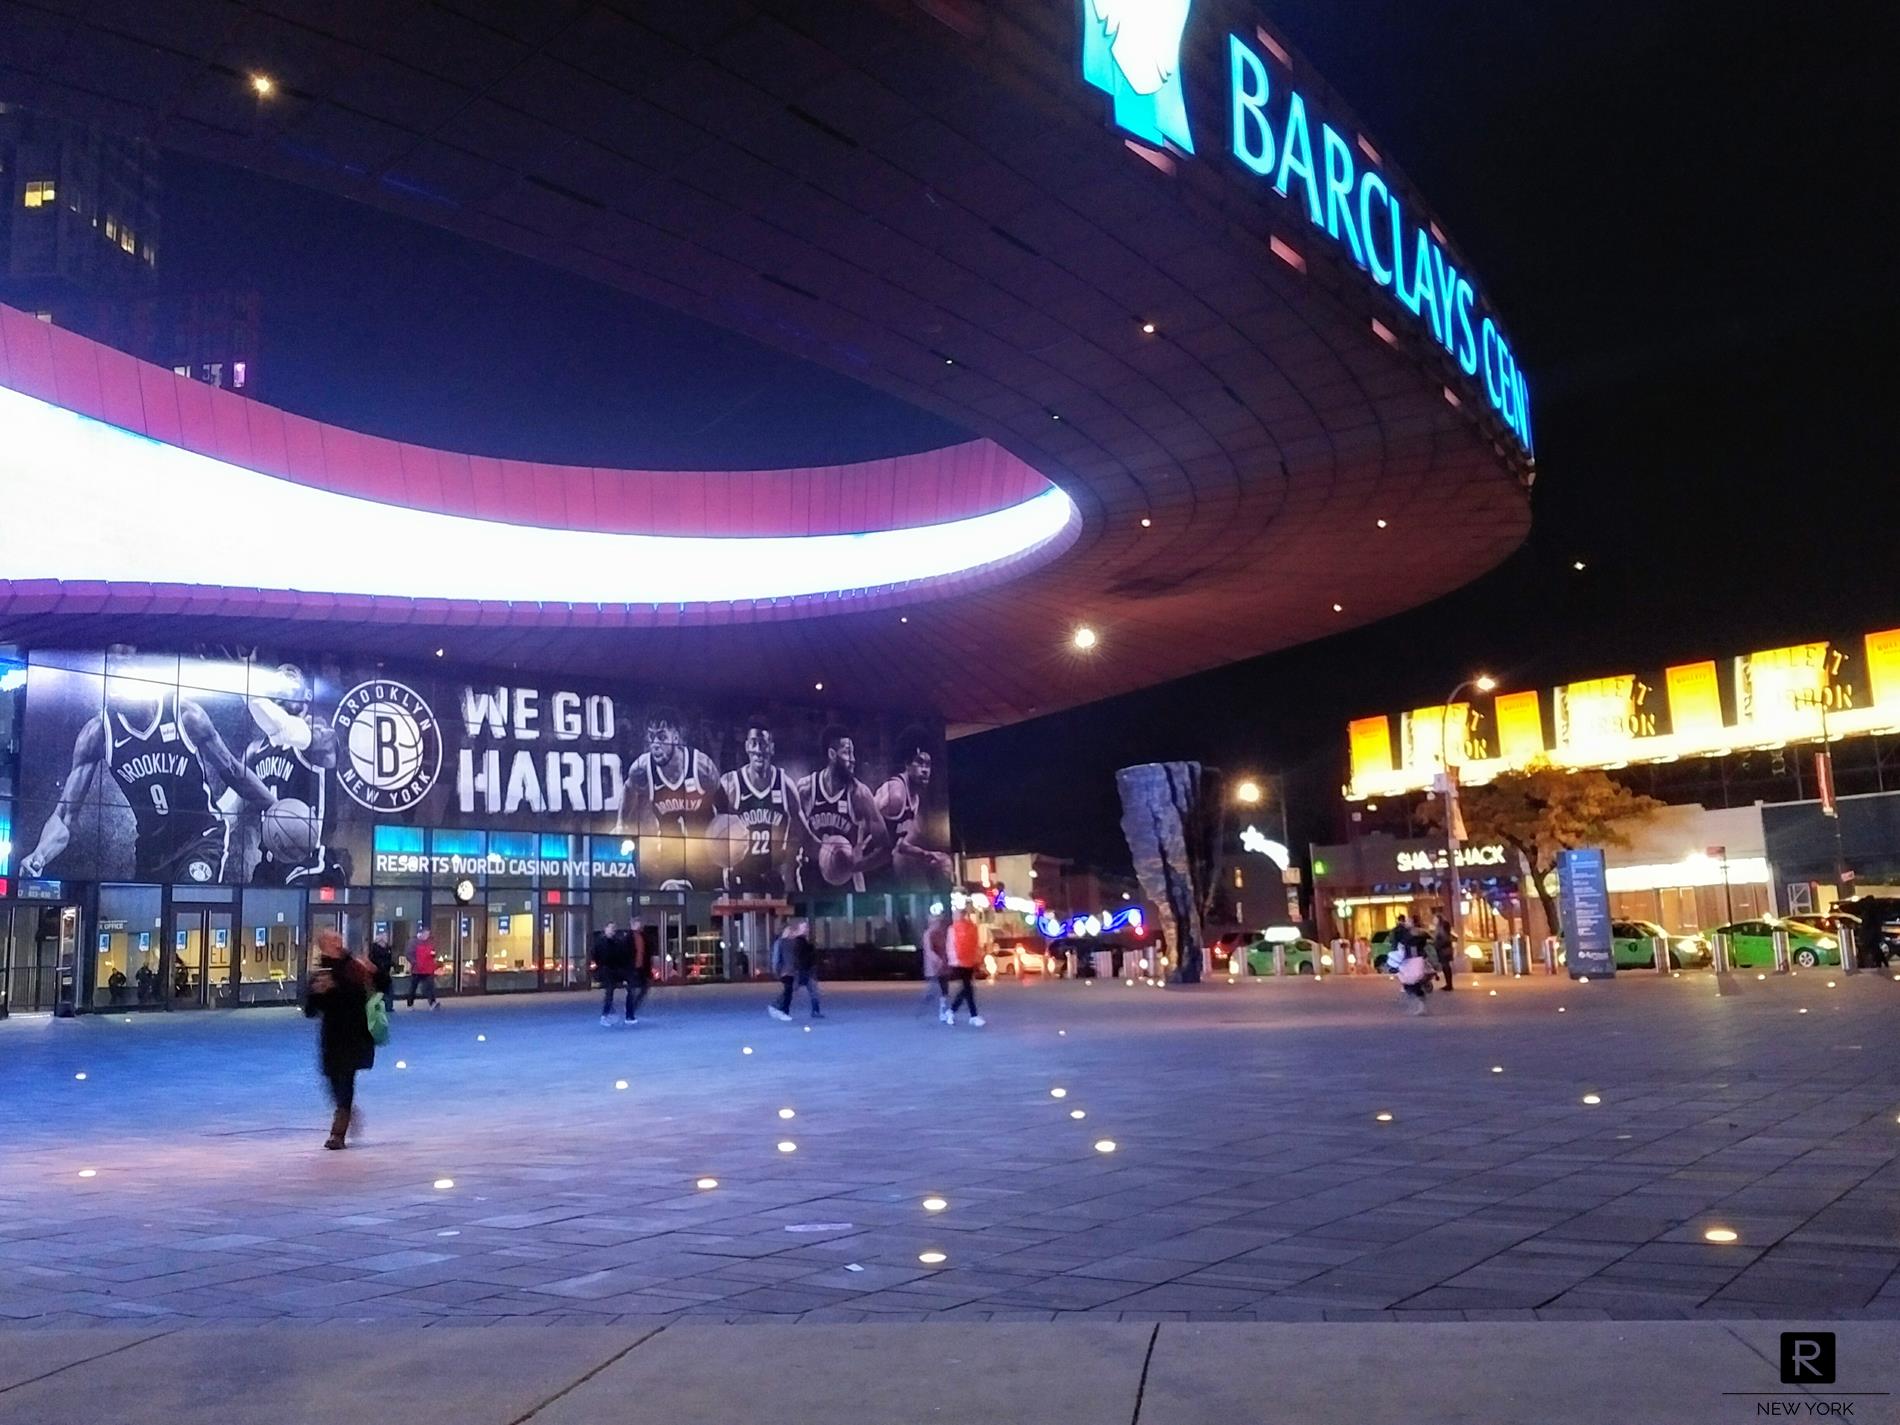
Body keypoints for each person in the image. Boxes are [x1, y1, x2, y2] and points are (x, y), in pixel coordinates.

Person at [20, 678, 277, 883]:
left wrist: (276, 807)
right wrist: (39, 854)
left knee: (186, 905)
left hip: (201, 838)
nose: (113, 691)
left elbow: (232, 770)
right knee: (151, 925)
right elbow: (65, 816)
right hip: (152, 851)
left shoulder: (185, 715)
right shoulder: (98, 733)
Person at [302, 928, 375, 1149]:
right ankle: (346, 1110)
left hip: (354, 1032)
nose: (338, 943)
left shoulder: (353, 967)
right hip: (332, 1035)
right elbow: (310, 1011)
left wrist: (369, 974)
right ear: (323, 946)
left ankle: (338, 1132)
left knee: (346, 1078)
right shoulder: (320, 972)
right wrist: (318, 992)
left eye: (338, 939)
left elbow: (368, 994)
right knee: (333, 1079)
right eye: (332, 940)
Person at [768, 918, 822, 1021]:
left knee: (811, 990)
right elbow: (781, 958)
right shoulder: (785, 942)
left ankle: (815, 1010)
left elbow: (806, 955)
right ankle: (779, 1008)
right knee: (790, 990)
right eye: (804, 927)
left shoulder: (803, 940)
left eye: (807, 927)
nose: (806, 929)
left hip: (803, 970)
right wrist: (778, 971)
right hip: (793, 971)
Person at [945, 907, 985, 1026]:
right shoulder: (969, 927)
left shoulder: (953, 929)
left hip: (961, 961)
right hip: (964, 961)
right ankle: (973, 1015)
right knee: (968, 988)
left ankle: (952, 1011)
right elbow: (974, 944)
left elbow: (950, 946)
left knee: (967, 988)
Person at [592, 920, 634, 1025]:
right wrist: (601, 966)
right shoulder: (600, 942)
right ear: (605, 929)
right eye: (610, 928)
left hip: (616, 969)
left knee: (631, 985)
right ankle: (605, 1015)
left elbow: (622, 956)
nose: (612, 931)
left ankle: (629, 1013)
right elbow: (595, 956)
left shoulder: (617, 942)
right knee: (609, 991)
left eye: (613, 929)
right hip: (606, 970)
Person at [918, 908, 951, 1018]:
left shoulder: (942, 933)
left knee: (943, 989)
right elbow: (929, 951)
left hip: (943, 966)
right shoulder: (928, 934)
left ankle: (942, 1009)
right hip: (934, 967)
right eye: (937, 921)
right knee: (936, 989)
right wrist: (938, 960)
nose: (939, 924)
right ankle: (933, 1008)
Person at [624, 918, 653, 1024]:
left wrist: (648, 970)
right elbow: (624, 955)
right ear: (632, 925)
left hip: (642, 968)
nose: (639, 925)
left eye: (639, 924)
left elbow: (647, 953)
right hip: (631, 969)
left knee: (644, 988)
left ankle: (632, 1008)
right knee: (631, 991)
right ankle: (629, 1015)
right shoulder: (628, 938)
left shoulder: (643, 937)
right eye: (637, 924)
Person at [406, 927, 440, 1009]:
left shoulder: (429, 942)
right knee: (413, 987)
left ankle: (432, 1003)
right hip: (417, 969)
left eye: (428, 934)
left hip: (427, 969)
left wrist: (433, 955)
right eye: (426, 934)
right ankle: (410, 1004)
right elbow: (409, 954)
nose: (427, 936)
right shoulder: (413, 942)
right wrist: (415, 963)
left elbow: (433, 952)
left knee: (430, 986)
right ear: (421, 933)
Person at [368, 937, 395, 1014]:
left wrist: (391, 965)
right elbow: (373, 960)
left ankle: (388, 1006)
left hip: (385, 972)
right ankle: (384, 1006)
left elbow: (390, 959)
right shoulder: (375, 950)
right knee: (381, 990)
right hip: (378, 972)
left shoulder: (388, 949)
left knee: (387, 990)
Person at [1432, 912, 1457, 992]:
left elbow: (1444, 939)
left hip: (1444, 950)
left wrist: (1437, 945)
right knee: (1445, 967)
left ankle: (1449, 985)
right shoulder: (1442, 927)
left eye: (1435, 919)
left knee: (1446, 967)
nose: (1433, 921)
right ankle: (1448, 984)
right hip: (1445, 949)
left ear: (1438, 919)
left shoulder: (1442, 928)